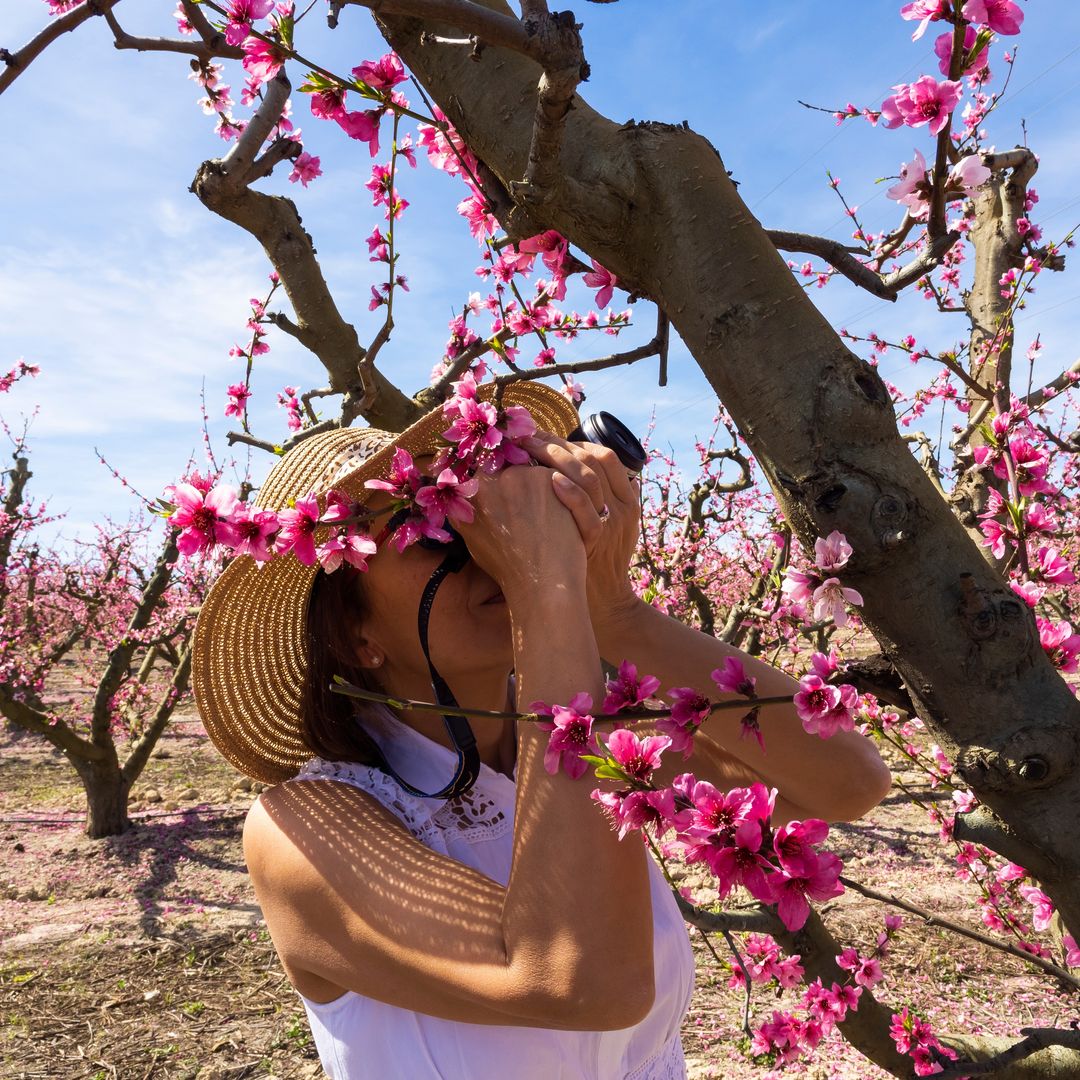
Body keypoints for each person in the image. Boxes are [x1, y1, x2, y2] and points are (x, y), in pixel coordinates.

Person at [192, 381, 892, 1079]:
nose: (481, 540)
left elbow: (850, 783)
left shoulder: (591, 744)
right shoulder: (300, 828)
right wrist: (545, 586)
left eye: (479, 506)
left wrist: (617, 612)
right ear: (354, 632)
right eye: (436, 527)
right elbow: (580, 982)